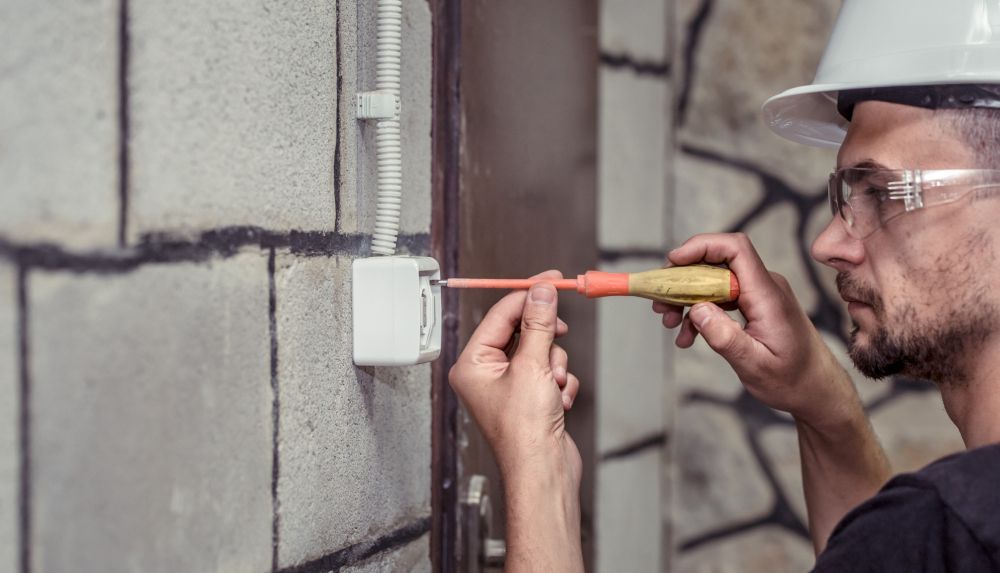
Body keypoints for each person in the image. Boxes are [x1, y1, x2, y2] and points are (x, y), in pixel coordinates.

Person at [448, 0, 1000, 570]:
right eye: (845, 195)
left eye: (882, 192)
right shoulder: (938, 535)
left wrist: (537, 471)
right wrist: (820, 400)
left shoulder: (945, 532)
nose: (827, 245)